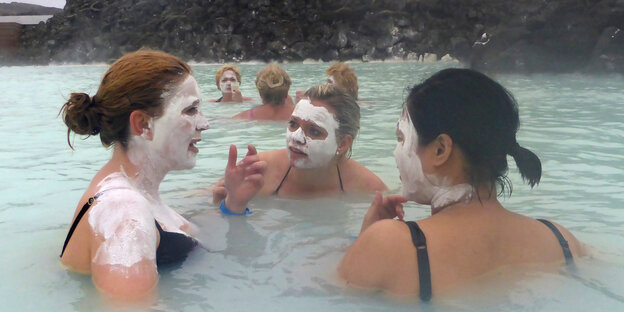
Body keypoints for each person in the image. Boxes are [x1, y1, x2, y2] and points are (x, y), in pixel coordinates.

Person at [338, 68, 583, 300]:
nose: (395, 152)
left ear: (440, 149)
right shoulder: (562, 240)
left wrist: (365, 240)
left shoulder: (389, 245)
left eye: (401, 138)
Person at [59, 50, 264, 300]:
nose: (204, 124)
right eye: (190, 110)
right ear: (143, 124)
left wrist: (234, 204)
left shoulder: (134, 194)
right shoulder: (124, 212)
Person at [214, 84, 387, 214]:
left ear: (342, 144)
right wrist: (231, 204)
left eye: (314, 131)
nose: (295, 137)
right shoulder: (258, 172)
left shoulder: (369, 188)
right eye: (293, 124)